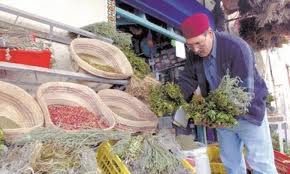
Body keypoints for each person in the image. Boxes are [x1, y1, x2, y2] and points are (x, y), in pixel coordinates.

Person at [178, 13, 277, 174]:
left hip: (249, 114)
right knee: (231, 163)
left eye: (198, 43)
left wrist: (222, 119)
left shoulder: (236, 47)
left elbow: (245, 92)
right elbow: (186, 81)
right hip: (222, 117)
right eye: (190, 45)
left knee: (261, 164)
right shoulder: (193, 55)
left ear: (209, 33)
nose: (195, 49)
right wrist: (176, 98)